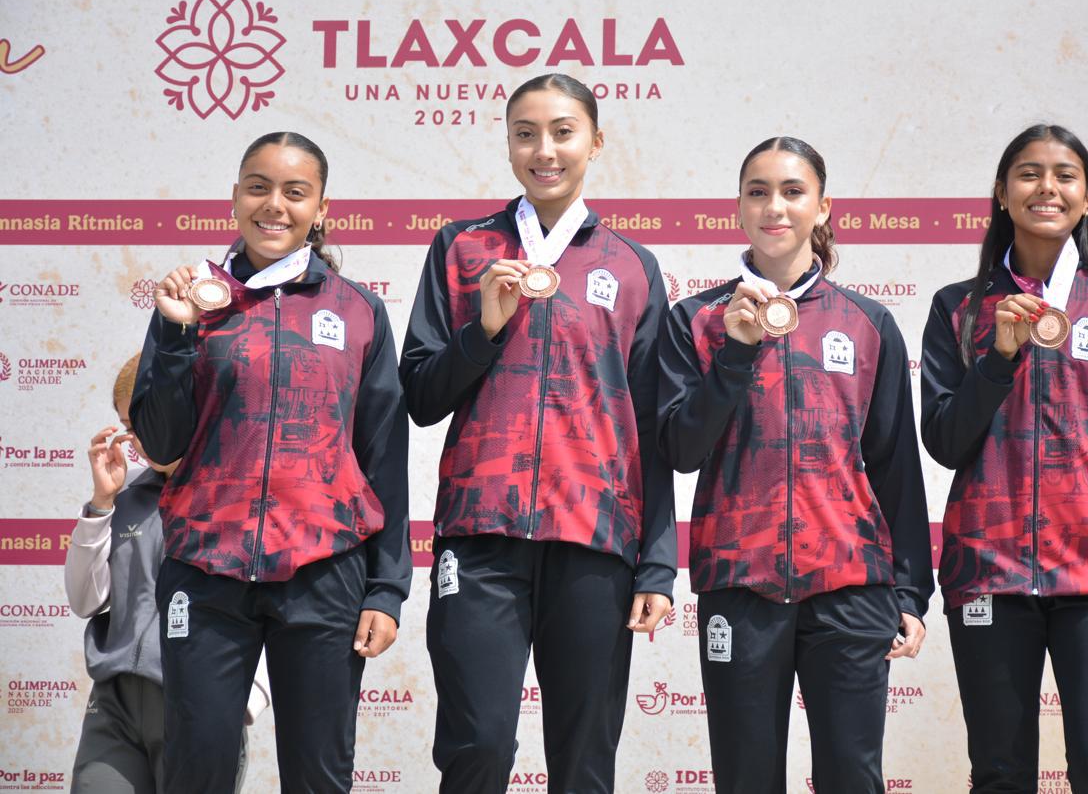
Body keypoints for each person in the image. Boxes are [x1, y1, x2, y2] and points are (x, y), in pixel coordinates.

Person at [399, 73, 676, 794]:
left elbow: (648, 429)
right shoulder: (462, 248)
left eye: (562, 131)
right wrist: (482, 330)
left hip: (595, 541)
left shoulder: (634, 268)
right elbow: (422, 394)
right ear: (508, 142)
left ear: (595, 141)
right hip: (480, 536)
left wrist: (656, 562)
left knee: (584, 761)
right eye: (526, 132)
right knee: (478, 745)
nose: (543, 149)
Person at [130, 131, 410, 793]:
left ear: (320, 208)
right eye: (258, 187)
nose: (273, 205)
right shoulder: (193, 301)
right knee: (197, 769)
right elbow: (162, 444)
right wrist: (172, 331)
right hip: (204, 570)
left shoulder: (357, 309)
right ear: (234, 197)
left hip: (325, 571)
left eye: (294, 191)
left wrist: (387, 587)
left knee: (318, 775)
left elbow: (384, 457)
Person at [657, 136, 934, 794]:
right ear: (739, 207)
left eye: (792, 191)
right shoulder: (695, 320)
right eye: (758, 191)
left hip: (851, 588)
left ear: (822, 206)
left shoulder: (867, 323)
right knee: (746, 780)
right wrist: (735, 352)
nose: (774, 206)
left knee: (852, 778)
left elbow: (895, 466)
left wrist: (910, 591)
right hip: (739, 586)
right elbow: (680, 449)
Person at [919, 124, 1088, 793]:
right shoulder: (959, 308)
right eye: (1028, 173)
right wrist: (998, 359)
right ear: (1003, 195)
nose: (1047, 187)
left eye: (1064, 175)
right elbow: (945, 441)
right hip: (989, 576)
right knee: (1001, 775)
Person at [65, 353, 270, 793]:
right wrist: (101, 505)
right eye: (129, 425)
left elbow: (278, 606)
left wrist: (246, 698)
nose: (138, 440)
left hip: (203, 703)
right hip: (115, 705)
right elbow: (85, 600)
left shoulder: (249, 497)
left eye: (146, 421)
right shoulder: (126, 496)